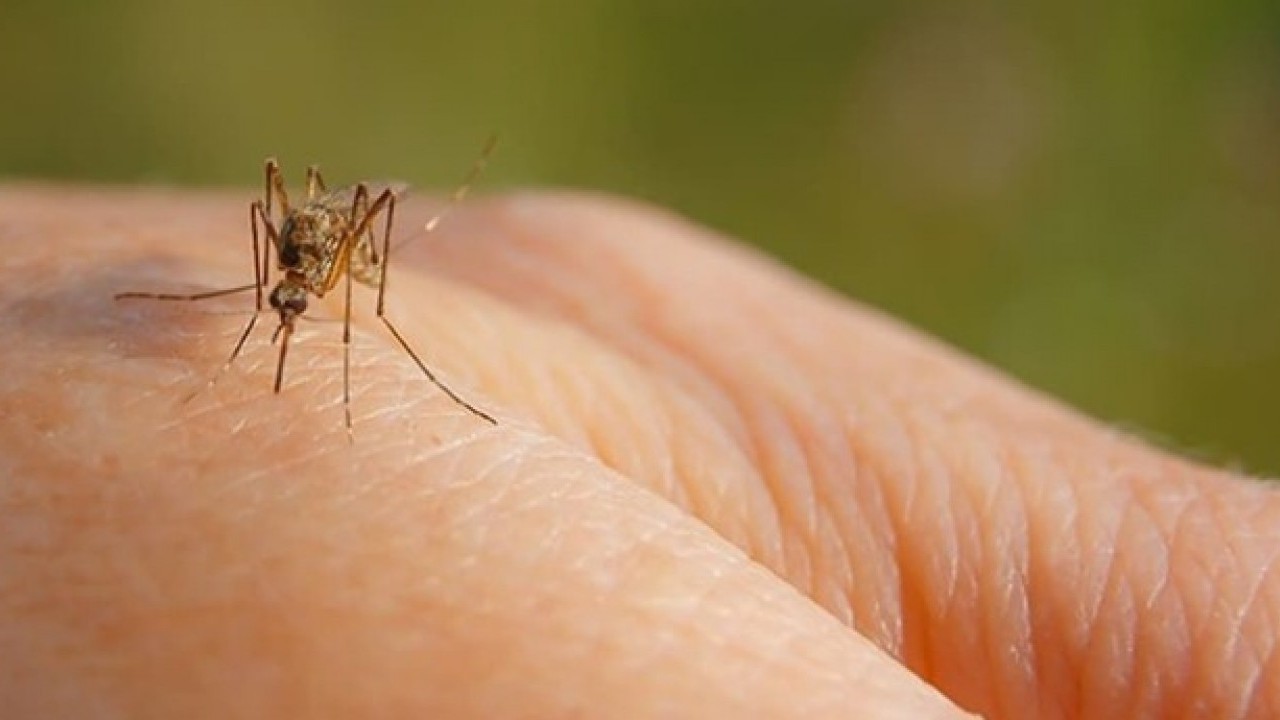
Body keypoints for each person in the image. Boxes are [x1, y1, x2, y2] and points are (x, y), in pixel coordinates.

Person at [0, 188, 1274, 719]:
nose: (283, 315)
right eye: (283, 295)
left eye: (284, 297)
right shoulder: (274, 267)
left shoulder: (329, 266)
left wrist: (367, 321)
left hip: (350, 265)